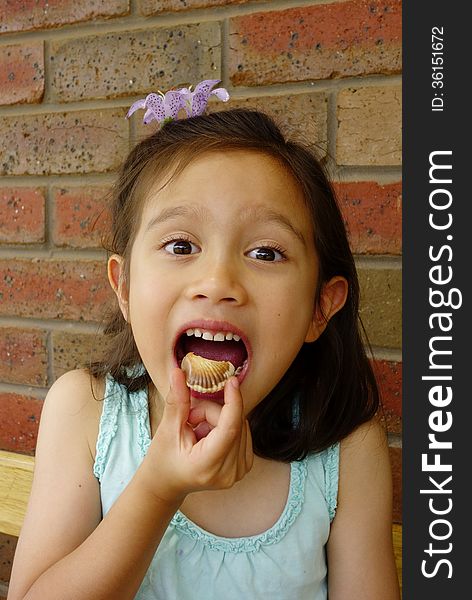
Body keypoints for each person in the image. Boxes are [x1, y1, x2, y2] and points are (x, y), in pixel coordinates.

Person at [8, 81, 400, 600]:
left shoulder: (347, 450)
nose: (217, 281)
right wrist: (157, 487)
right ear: (124, 289)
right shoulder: (86, 411)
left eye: (265, 253)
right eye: (180, 244)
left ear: (319, 308)